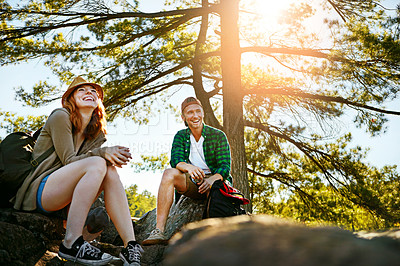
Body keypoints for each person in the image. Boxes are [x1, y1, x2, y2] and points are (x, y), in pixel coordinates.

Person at [11, 76, 143, 266]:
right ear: (70, 99)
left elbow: (91, 165)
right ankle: (71, 242)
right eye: (82, 90)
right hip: (39, 190)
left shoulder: (97, 133)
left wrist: (104, 154)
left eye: (93, 91)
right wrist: (102, 153)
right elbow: (69, 161)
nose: (89, 92)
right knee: (98, 162)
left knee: (110, 170)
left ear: (98, 102)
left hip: (63, 197)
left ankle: (130, 246)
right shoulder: (60, 116)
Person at [142, 97, 232, 246]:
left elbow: (225, 167)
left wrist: (211, 180)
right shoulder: (181, 136)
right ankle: (159, 230)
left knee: (216, 188)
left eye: (198, 111)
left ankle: (215, 235)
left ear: (203, 113)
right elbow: (176, 161)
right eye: (190, 112)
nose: (195, 116)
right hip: (191, 180)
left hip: (214, 181)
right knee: (168, 173)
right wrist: (189, 168)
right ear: (183, 117)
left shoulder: (218, 135)